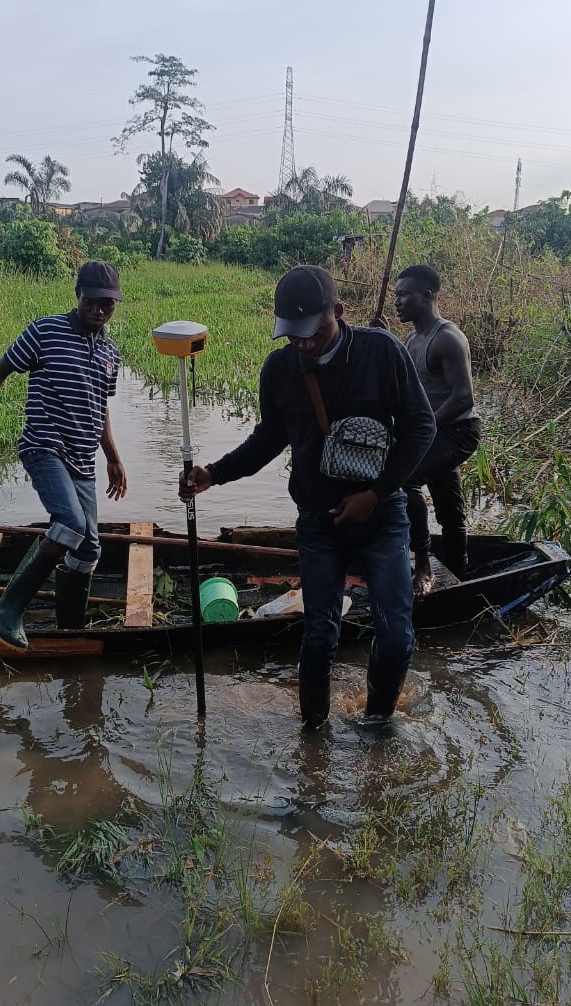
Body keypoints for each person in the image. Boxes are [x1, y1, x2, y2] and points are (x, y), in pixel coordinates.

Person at [180, 265, 435, 730]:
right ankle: (313, 738)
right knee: (319, 637)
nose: (302, 344)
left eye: (312, 332)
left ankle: (376, 727)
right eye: (292, 335)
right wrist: (212, 474)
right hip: (318, 523)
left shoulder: (381, 352)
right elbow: (268, 439)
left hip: (382, 519)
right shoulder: (280, 369)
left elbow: (422, 428)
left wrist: (375, 495)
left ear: (338, 312)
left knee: (396, 637)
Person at [0, 259, 128, 650]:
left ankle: (70, 632)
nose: (98, 310)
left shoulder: (111, 350)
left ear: (116, 304)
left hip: (81, 458)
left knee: (90, 547)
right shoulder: (46, 331)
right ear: (77, 294)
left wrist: (112, 457)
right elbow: (0, 370)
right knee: (69, 521)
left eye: (107, 304)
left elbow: (101, 408)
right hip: (44, 445)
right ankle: (8, 608)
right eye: (92, 302)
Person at [372, 264, 480, 595]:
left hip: (457, 432)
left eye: (405, 295)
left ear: (428, 295)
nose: (398, 301)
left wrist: (421, 432)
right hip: (432, 432)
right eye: (396, 295)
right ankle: (459, 573)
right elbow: (402, 380)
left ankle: (422, 566)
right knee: (449, 509)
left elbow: (464, 398)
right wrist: (384, 338)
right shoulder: (411, 337)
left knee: (405, 480)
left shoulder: (447, 339)